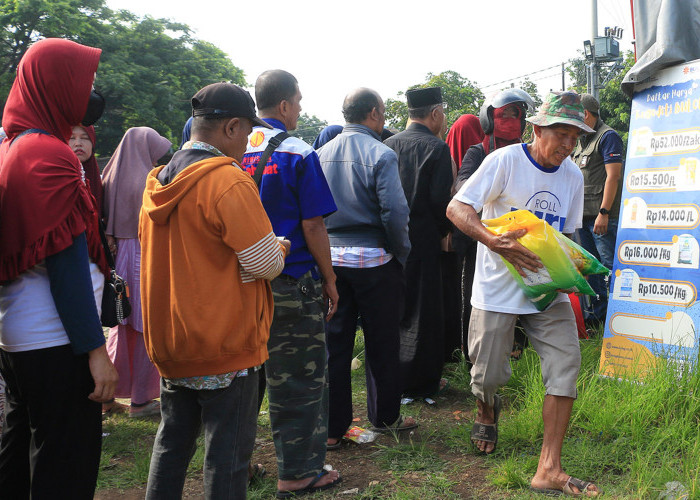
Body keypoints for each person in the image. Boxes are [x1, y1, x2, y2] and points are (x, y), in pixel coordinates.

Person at [446, 91, 600, 497]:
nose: (568, 146)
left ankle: (549, 467)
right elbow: (458, 210)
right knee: (487, 375)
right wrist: (493, 242)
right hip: (497, 290)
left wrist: (574, 275)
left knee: (566, 364)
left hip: (545, 290)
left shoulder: (572, 176)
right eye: (561, 135)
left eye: (575, 138)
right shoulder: (504, 161)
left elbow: (565, 235)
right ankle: (485, 407)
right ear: (537, 129)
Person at [140, 82, 288, 499]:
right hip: (225, 345)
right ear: (231, 127)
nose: (246, 142)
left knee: (171, 445)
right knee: (227, 457)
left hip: (173, 340)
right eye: (246, 133)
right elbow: (265, 264)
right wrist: (279, 246)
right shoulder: (227, 182)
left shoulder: (158, 182)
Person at [0, 38, 118, 498]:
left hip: (17, 333)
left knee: (21, 449)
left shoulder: (14, 146)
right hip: (56, 339)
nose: (87, 90)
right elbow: (67, 269)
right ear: (55, 84)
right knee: (65, 463)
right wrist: (96, 353)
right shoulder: (51, 155)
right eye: (81, 80)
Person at [240, 69, 342, 497]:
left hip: (241, 283)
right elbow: (313, 223)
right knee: (298, 380)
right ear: (283, 105)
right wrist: (330, 278)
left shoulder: (230, 147)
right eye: (298, 101)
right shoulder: (298, 152)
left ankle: (236, 466)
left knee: (243, 379)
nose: (300, 109)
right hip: (290, 280)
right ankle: (299, 471)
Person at [317, 88, 417, 448]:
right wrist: (399, 252)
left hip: (331, 261)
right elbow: (395, 213)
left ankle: (332, 428)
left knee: (335, 345)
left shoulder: (319, 154)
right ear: (374, 113)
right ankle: (386, 417)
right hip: (375, 260)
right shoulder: (381, 153)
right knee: (382, 342)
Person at [454, 89, 535, 359]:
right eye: (505, 114)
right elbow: (462, 184)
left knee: (525, 287)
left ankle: (516, 347)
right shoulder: (478, 152)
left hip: (520, 237)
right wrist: (487, 186)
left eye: (516, 114)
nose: (511, 120)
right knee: (475, 297)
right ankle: (473, 353)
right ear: (489, 119)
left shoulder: (527, 154)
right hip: (481, 240)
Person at [384, 87, 454, 400]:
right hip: (424, 241)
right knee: (425, 313)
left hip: (390, 242)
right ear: (436, 113)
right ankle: (424, 383)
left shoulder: (388, 145)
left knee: (396, 309)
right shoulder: (437, 148)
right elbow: (442, 201)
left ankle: (395, 379)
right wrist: (441, 232)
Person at [101, 127, 172, 418]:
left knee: (122, 324)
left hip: (119, 257)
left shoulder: (109, 173)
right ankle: (142, 399)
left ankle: (108, 396)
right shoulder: (149, 178)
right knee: (145, 327)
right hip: (143, 253)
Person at [572, 93, 624, 328]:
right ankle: (596, 322)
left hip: (602, 217)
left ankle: (617, 322)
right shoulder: (580, 140)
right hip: (583, 217)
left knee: (609, 269)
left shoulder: (608, 136)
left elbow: (613, 176)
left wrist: (604, 212)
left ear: (585, 114)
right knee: (591, 269)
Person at [69, 125, 104, 220]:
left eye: (85, 138)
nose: (78, 143)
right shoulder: (55, 180)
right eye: (71, 138)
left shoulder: (105, 184)